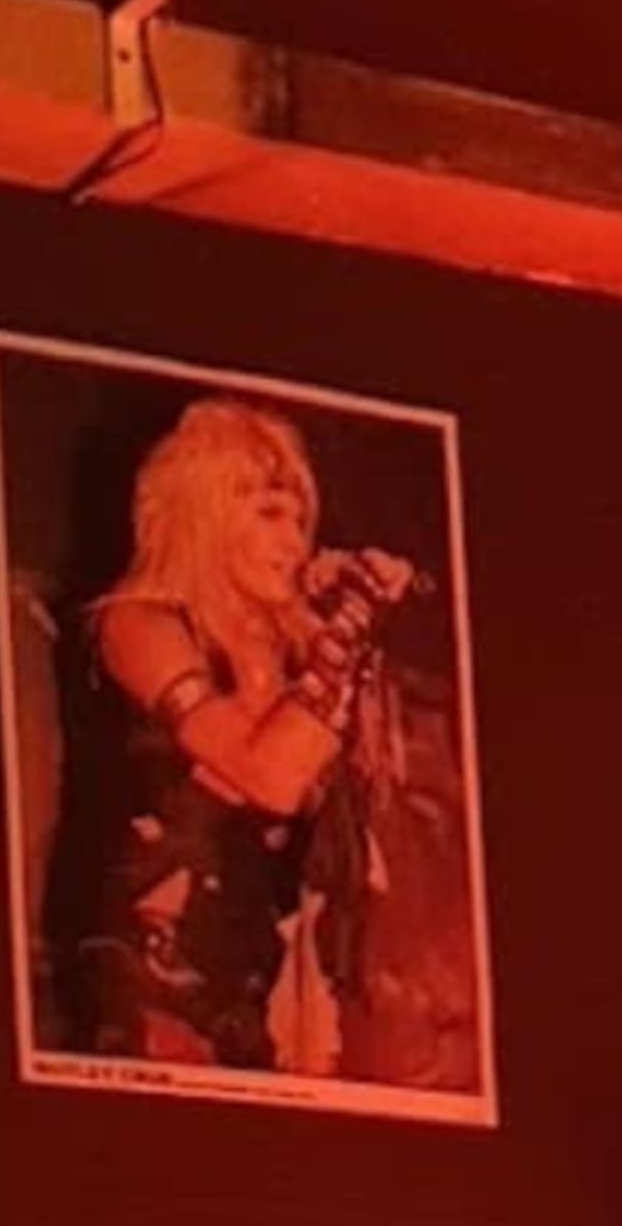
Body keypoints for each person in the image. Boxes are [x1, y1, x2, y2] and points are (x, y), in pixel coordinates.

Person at [46, 396, 419, 1076]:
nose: (294, 542)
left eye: (300, 519)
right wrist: (353, 619)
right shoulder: (140, 624)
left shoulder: (296, 654)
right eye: (270, 514)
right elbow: (268, 776)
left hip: (252, 979)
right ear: (204, 515)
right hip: (144, 972)